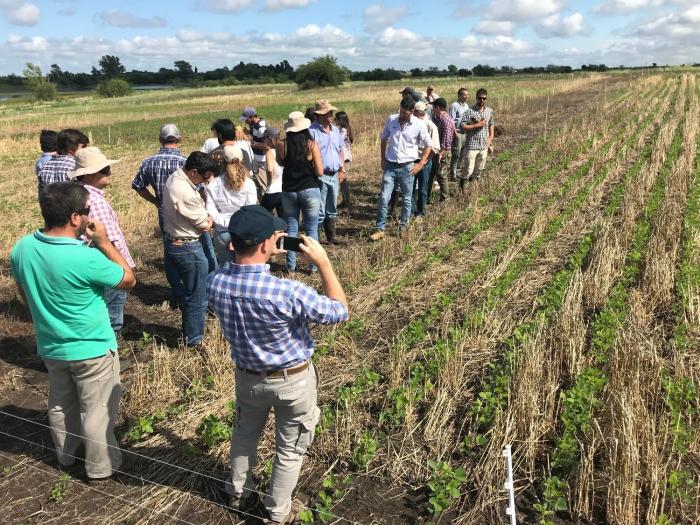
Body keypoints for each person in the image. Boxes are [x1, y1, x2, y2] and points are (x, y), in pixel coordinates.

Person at [206, 205, 348, 524]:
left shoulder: (215, 281)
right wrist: (323, 262)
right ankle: (277, 511)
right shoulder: (286, 291)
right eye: (274, 236)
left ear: (232, 243)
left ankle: (238, 492)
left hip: (247, 378)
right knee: (290, 448)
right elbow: (339, 311)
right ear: (265, 245)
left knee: (244, 434)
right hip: (292, 382)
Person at [10, 182, 136, 482]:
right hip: (92, 347)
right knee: (96, 410)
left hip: (51, 345)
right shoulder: (86, 257)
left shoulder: (23, 248)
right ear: (76, 218)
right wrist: (105, 243)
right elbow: (129, 279)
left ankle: (66, 455)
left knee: (60, 402)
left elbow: (22, 291)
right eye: (87, 211)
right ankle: (100, 467)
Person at [68, 147, 135, 335]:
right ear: (89, 174)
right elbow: (106, 239)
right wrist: (123, 267)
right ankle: (110, 352)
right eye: (104, 170)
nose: (109, 173)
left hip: (90, 262)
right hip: (108, 263)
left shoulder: (77, 195)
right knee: (112, 311)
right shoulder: (94, 201)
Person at [161, 151, 218, 347]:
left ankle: (190, 333)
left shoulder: (175, 177)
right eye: (204, 177)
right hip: (188, 246)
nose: (206, 181)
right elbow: (205, 225)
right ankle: (194, 339)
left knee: (190, 291)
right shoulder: (185, 192)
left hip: (175, 241)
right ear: (194, 172)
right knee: (197, 296)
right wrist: (209, 218)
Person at [132, 124, 188, 306]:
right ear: (179, 139)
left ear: (160, 140)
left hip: (164, 208)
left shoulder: (149, 162)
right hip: (187, 209)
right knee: (191, 248)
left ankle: (178, 292)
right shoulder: (185, 162)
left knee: (170, 251)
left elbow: (138, 185)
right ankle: (192, 288)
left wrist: (155, 201)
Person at [370, 97, 432, 241]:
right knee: (384, 198)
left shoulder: (419, 124)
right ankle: (379, 228)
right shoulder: (391, 120)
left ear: (412, 112)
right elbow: (384, 138)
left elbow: (428, 144)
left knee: (407, 199)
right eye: (401, 112)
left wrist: (421, 163)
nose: (402, 116)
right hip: (390, 166)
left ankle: (403, 227)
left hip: (407, 167)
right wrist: (382, 158)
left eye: (405, 113)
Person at [277, 111, 324, 272]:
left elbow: (281, 163)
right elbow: (319, 171)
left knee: (291, 228)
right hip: (310, 188)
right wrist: (309, 158)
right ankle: (313, 266)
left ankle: (291, 266)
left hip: (289, 189)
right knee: (311, 228)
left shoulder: (281, 144)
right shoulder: (311, 144)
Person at [205, 145, 257, 265]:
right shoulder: (249, 184)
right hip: (243, 232)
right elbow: (250, 209)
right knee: (244, 266)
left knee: (225, 267)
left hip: (222, 232)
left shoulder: (214, 184)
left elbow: (210, 208)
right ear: (242, 161)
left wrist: (223, 222)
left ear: (222, 162)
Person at [309, 99, 345, 245]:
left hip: (335, 175)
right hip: (321, 175)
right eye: (327, 113)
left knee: (332, 207)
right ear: (319, 115)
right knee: (320, 209)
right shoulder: (312, 131)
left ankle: (331, 237)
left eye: (331, 112)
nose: (331, 115)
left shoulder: (336, 130)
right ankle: (316, 240)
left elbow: (341, 150)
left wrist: (342, 169)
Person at [459, 88, 496, 190]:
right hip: (472, 146)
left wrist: (491, 137)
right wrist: (477, 125)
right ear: (476, 98)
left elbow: (491, 124)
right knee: (467, 171)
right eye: (480, 98)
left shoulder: (489, 111)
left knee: (478, 171)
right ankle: (462, 191)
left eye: (484, 98)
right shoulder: (469, 112)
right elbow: (462, 127)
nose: (482, 100)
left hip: (483, 146)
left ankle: (472, 190)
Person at [37, 129, 89, 196]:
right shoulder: (75, 166)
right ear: (70, 149)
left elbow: (42, 193)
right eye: (83, 146)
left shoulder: (45, 166)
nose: (86, 150)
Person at [412, 102, 439, 218]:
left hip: (425, 162)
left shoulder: (431, 126)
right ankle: (412, 211)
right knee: (411, 188)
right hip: (412, 160)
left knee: (422, 188)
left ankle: (420, 212)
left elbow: (435, 148)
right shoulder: (411, 124)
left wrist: (425, 160)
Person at [428, 98, 456, 203]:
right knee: (436, 174)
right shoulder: (441, 118)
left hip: (443, 152)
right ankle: (430, 196)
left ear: (438, 107)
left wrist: (441, 153)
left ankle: (445, 198)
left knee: (441, 175)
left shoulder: (445, 120)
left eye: (434, 107)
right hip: (440, 151)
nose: (433, 109)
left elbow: (446, 139)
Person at [448, 88, 470, 182]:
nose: (466, 96)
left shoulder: (466, 106)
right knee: (456, 154)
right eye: (464, 95)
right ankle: (453, 174)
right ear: (459, 95)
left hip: (465, 132)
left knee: (463, 153)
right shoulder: (454, 106)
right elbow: (451, 120)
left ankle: (458, 171)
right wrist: (455, 132)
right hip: (458, 132)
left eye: (467, 95)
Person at [262, 127, 284, 217]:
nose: (263, 140)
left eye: (265, 138)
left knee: (261, 216)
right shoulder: (282, 149)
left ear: (270, 139)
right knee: (284, 219)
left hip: (273, 190)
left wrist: (269, 182)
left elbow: (269, 170)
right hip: (283, 190)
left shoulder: (270, 152)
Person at [335, 111, 353, 212]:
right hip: (346, 155)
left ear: (340, 120)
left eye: (336, 119)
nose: (334, 120)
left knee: (341, 179)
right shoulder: (345, 129)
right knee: (342, 179)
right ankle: (346, 200)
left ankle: (347, 201)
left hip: (343, 156)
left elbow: (338, 141)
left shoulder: (343, 130)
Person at [240, 107, 267, 175]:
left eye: (246, 120)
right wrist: (248, 133)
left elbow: (267, 146)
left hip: (262, 161)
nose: (246, 122)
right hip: (257, 160)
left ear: (252, 117)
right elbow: (258, 139)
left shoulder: (261, 127)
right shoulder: (255, 126)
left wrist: (252, 145)